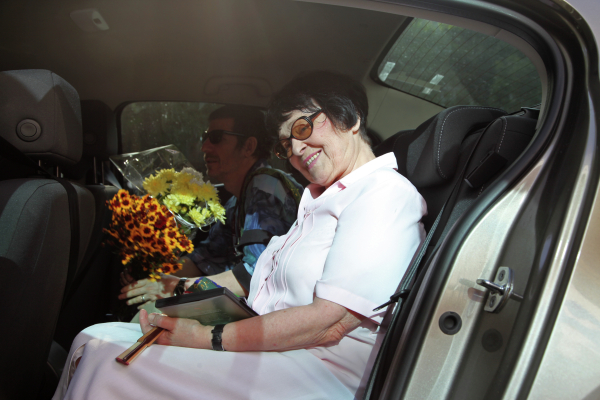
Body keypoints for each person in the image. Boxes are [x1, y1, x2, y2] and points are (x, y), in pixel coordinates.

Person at [52, 71, 427, 400]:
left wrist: (207, 337)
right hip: (278, 353)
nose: (296, 150)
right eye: (286, 144)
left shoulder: (382, 194)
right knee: (92, 337)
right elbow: (257, 281)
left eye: (302, 128)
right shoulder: (319, 201)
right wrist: (182, 291)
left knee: (103, 355)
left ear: (350, 118)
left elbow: (331, 323)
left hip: (316, 371)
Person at [119, 105, 303, 309]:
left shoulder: (265, 188)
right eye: (205, 137)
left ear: (248, 147)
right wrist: (151, 276)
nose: (204, 147)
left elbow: (256, 275)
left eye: (216, 138)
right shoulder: (237, 200)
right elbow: (205, 258)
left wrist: (177, 286)